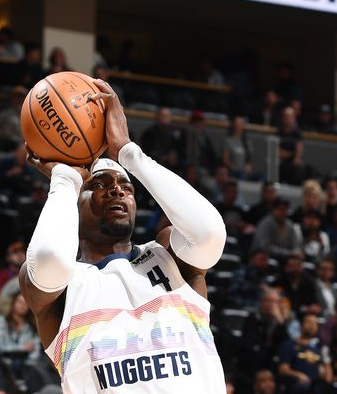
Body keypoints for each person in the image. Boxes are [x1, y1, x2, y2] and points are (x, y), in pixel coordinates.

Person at [19, 78, 227, 392]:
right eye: (98, 184)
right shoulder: (63, 286)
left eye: (126, 187)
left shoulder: (167, 252)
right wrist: (65, 177)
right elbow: (51, 259)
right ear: (74, 202)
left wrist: (129, 153)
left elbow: (210, 234)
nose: (116, 189)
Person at [277, 313, 333, 394]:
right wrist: (298, 375)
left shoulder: (317, 349)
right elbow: (283, 370)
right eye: (309, 322)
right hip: (297, 385)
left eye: (315, 323)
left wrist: (325, 371)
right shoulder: (289, 345)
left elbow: (322, 372)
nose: (312, 326)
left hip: (315, 386)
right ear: (300, 326)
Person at [139, 107, 185, 171]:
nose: (165, 119)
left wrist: (174, 155)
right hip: (153, 165)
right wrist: (164, 157)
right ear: (157, 118)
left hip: (170, 167)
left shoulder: (173, 134)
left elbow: (177, 149)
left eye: (167, 116)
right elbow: (147, 152)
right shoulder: (149, 133)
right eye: (162, 116)